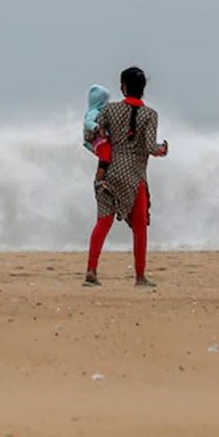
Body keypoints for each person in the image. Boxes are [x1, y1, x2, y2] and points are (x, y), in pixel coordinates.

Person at [84, 67, 168, 287]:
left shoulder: (109, 110)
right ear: (143, 89)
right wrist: (163, 149)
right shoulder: (150, 115)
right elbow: (150, 146)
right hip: (134, 176)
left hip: (108, 172)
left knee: (103, 222)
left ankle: (91, 271)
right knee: (139, 227)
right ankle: (140, 277)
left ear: (123, 87)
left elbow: (93, 133)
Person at [83, 84, 112, 182]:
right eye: (105, 101)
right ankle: (99, 180)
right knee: (104, 161)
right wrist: (97, 127)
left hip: (101, 142)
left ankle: (102, 177)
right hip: (99, 142)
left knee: (106, 160)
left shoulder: (100, 112)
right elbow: (87, 122)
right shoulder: (93, 112)